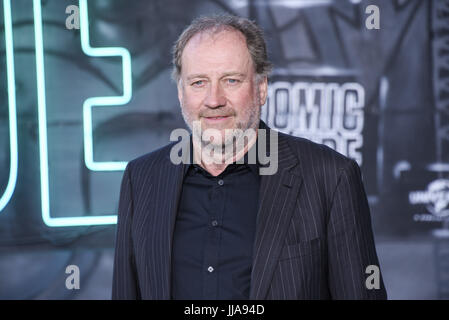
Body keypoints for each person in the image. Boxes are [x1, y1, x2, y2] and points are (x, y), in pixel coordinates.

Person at [112, 14, 387, 300]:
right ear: (181, 93)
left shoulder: (331, 178)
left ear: (261, 87)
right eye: (198, 83)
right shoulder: (141, 179)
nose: (214, 100)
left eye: (231, 80)